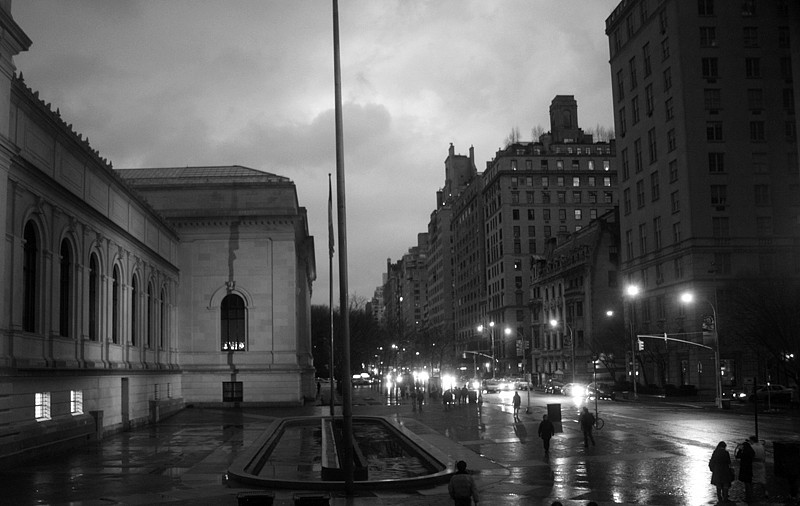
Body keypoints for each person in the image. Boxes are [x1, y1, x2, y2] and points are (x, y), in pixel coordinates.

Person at [736, 436, 755, 502]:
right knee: (749, 482)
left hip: (744, 468)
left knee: (746, 484)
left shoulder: (744, 452)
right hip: (749, 468)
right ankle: (751, 497)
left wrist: (740, 449)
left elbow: (737, 456)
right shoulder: (751, 451)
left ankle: (748, 498)